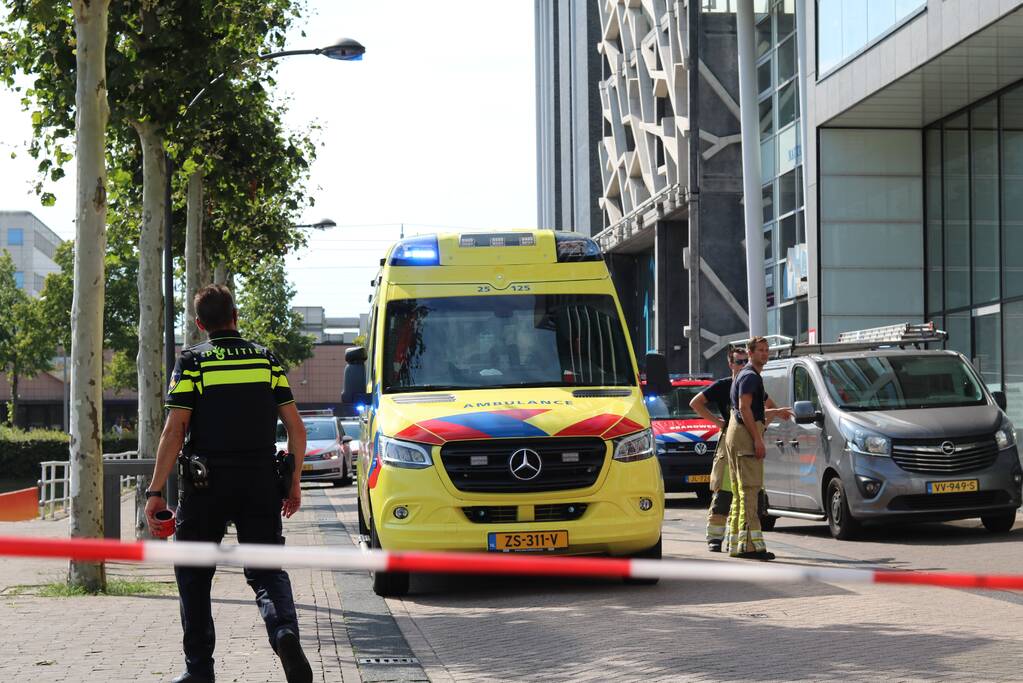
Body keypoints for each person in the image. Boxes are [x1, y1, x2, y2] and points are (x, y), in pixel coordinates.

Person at [144, 284, 311, 683]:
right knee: (267, 571)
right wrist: (294, 481)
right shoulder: (266, 360)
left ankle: (199, 670)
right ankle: (284, 632)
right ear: (236, 316)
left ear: (201, 324)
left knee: (194, 575)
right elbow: (296, 428)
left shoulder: (193, 363)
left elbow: (174, 430)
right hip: (259, 482)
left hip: (205, 488)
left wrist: (154, 491)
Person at [722, 336, 792, 560]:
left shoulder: (745, 375)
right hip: (744, 437)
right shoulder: (751, 376)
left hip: (736, 435)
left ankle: (736, 544)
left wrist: (776, 412)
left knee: (740, 492)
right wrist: (757, 440)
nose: (765, 353)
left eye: (766, 350)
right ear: (750, 354)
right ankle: (751, 547)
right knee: (750, 491)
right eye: (760, 350)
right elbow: (745, 408)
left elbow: (753, 408)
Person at [689, 346, 748, 552]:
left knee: (745, 494)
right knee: (724, 492)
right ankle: (714, 539)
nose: (743, 365)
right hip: (728, 441)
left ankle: (736, 540)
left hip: (747, 442)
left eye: (745, 362)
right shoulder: (724, 386)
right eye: (739, 362)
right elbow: (695, 403)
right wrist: (718, 422)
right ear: (730, 364)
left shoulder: (751, 385)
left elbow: (767, 406)